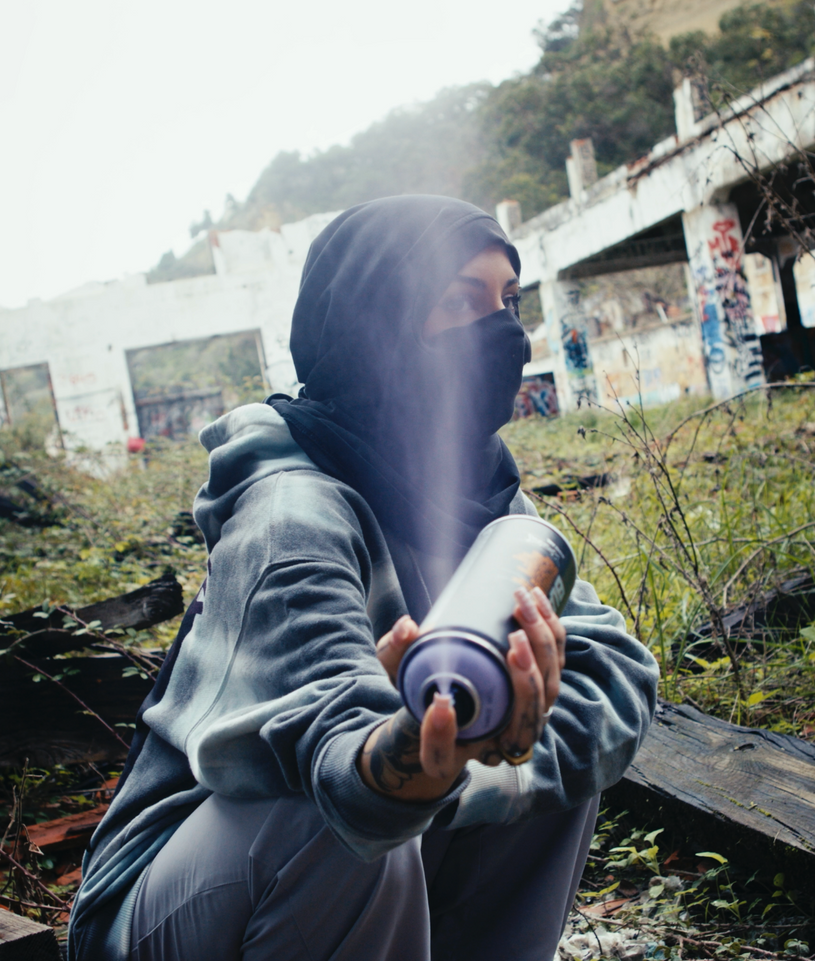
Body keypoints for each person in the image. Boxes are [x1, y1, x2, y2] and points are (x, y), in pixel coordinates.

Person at [68, 196, 659, 961]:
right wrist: (405, 750)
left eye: (508, 301)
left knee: (533, 737)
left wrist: (489, 743)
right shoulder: (289, 507)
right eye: (456, 300)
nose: (501, 330)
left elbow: (616, 664)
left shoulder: (480, 493)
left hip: (356, 866)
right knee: (329, 812)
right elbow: (338, 745)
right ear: (372, 322)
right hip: (168, 909)